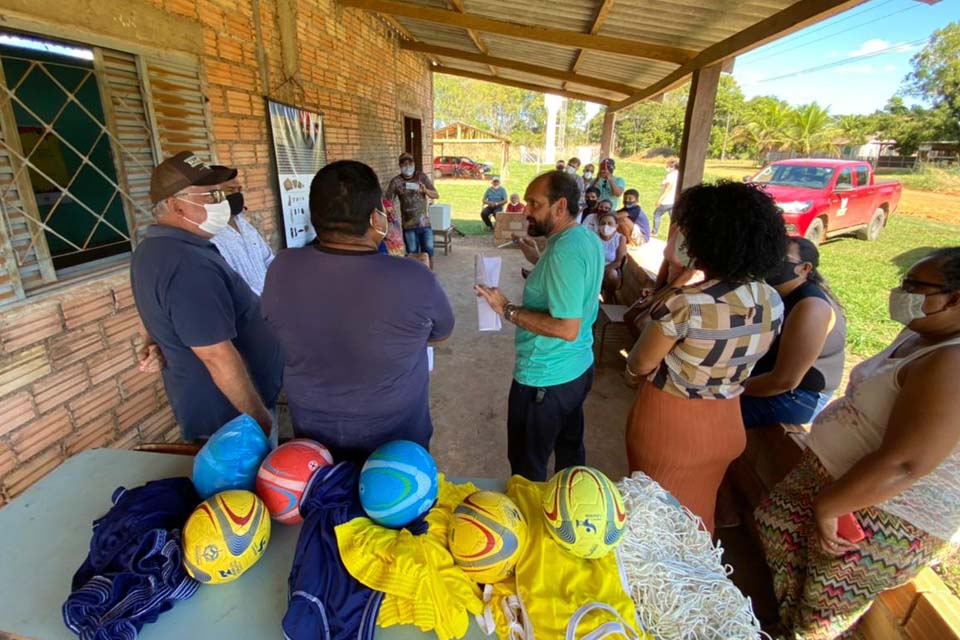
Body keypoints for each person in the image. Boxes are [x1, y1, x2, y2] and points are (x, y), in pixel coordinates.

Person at [755, 247, 960, 639]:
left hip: (889, 509)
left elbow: (906, 464)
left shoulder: (951, 362)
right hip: (840, 477)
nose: (902, 292)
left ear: (954, 297)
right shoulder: (920, 333)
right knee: (776, 522)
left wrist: (833, 504)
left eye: (915, 285)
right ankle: (786, 623)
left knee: (825, 599)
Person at [262, 160, 455, 461]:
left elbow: (277, 325)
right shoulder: (413, 276)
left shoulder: (281, 268)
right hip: (397, 448)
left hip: (314, 444)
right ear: (376, 218)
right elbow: (442, 332)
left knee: (326, 505)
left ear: (315, 216)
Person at [624, 181, 786, 533]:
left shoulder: (686, 303)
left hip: (672, 424)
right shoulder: (770, 299)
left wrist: (634, 375)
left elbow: (640, 362)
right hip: (727, 421)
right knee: (699, 513)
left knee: (657, 519)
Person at [130, 151, 283, 442]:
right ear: (177, 206)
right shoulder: (187, 264)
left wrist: (151, 340)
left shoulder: (157, 249)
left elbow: (158, 311)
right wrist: (259, 421)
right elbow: (215, 355)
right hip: (231, 419)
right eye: (210, 196)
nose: (220, 203)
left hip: (223, 413)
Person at [475, 170, 604, 481]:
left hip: (544, 380)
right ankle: (569, 513)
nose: (527, 210)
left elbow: (566, 327)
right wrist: (537, 257)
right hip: (576, 368)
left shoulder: (564, 251)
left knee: (526, 469)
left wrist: (506, 309)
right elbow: (569, 282)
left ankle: (532, 522)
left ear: (559, 206)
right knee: (570, 452)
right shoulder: (583, 237)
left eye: (534, 203)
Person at [741, 237, 846, 427]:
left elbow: (784, 381)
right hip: (768, 381)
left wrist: (726, 388)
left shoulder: (811, 307)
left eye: (781, 258)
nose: (770, 262)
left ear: (805, 268)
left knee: (712, 413)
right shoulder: (775, 294)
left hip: (799, 395)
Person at [209, 169, 274, 296]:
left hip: (270, 304)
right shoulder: (210, 236)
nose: (237, 194)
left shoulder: (245, 225)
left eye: (239, 190)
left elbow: (268, 259)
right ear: (213, 195)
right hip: (246, 310)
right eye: (230, 190)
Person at [384, 152, 439, 268]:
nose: (408, 167)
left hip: (424, 223)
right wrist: (389, 208)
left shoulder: (421, 177)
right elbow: (388, 200)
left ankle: (430, 276)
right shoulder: (396, 181)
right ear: (400, 166)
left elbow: (436, 195)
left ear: (414, 164)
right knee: (412, 254)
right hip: (408, 225)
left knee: (429, 252)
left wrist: (425, 191)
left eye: (410, 164)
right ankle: (415, 278)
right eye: (404, 164)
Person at [597, 211, 627, 302]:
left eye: (610, 223)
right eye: (603, 223)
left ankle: (608, 297)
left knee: (612, 275)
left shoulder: (620, 238)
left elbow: (619, 261)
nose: (606, 226)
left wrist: (603, 270)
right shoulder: (593, 236)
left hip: (610, 267)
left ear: (616, 226)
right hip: (595, 266)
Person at [651, 159, 679, 236]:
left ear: (673, 167)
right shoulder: (678, 174)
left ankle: (655, 231)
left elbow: (668, 189)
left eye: (668, 166)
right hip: (673, 201)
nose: (667, 167)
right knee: (673, 218)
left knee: (657, 214)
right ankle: (676, 232)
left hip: (666, 201)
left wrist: (660, 200)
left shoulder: (670, 176)